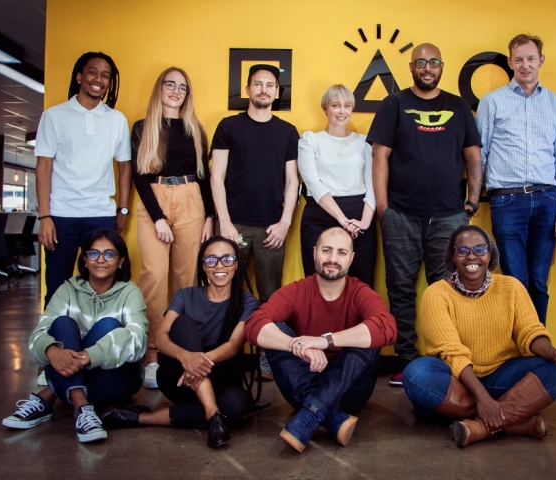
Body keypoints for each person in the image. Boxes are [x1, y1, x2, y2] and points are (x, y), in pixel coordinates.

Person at [367, 43, 483, 386]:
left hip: (449, 215)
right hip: (401, 214)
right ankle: (407, 360)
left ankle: (447, 359)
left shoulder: (458, 106)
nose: (427, 68)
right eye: (421, 63)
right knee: (400, 289)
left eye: (433, 62)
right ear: (411, 67)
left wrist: (472, 202)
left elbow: (473, 157)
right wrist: (384, 207)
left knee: (447, 291)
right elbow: (379, 156)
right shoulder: (394, 104)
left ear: (442, 66)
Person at [402, 225, 556, 447]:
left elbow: (530, 332)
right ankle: (515, 421)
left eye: (479, 249)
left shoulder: (511, 287)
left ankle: (480, 427)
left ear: (489, 255)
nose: (471, 256)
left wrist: (553, 354)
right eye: (463, 250)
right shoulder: (436, 293)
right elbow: (452, 353)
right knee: (416, 374)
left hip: (503, 377)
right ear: (453, 256)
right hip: (458, 382)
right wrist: (483, 399)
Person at [244, 227, 396, 452]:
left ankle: (310, 413)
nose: (333, 259)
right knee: (275, 330)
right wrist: (297, 346)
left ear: (351, 258)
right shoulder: (296, 291)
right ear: (314, 253)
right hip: (303, 381)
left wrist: (325, 341)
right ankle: (326, 413)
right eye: (327, 250)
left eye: (341, 252)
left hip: (350, 391)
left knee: (368, 337)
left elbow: (387, 328)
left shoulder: (360, 292)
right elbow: (253, 324)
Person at [100, 236, 259, 448]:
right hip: (178, 377)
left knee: (235, 408)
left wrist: (197, 364)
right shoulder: (185, 296)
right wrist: (186, 358)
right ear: (203, 266)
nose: (219, 266)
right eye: (211, 260)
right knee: (183, 324)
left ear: (236, 265)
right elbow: (161, 338)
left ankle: (139, 418)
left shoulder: (247, 302)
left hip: (220, 376)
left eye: (227, 259)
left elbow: (234, 345)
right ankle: (213, 413)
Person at [2, 229, 147, 443]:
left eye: (109, 254)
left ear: (120, 261)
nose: (100, 260)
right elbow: (38, 334)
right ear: (85, 260)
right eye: (93, 253)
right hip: (79, 381)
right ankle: (82, 406)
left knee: (108, 325)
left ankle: (48, 395)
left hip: (116, 382)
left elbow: (138, 340)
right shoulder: (68, 289)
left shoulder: (130, 292)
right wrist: (51, 351)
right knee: (62, 323)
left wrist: (89, 356)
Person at [476, 33, 556, 325]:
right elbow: (479, 154)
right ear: (510, 62)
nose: (525, 65)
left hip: (548, 199)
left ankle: (538, 343)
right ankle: (518, 345)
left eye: (531, 59)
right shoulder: (492, 102)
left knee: (539, 281)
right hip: (507, 201)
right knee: (515, 281)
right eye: (519, 60)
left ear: (541, 60)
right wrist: (474, 198)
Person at [210, 64, 299, 380]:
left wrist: (285, 222)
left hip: (271, 228)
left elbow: (293, 180)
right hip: (233, 226)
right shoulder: (229, 126)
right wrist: (225, 223)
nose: (263, 89)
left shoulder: (287, 131)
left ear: (276, 92)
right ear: (247, 89)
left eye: (270, 85)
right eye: (258, 83)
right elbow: (216, 176)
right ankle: (221, 357)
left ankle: (267, 358)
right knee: (223, 292)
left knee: (271, 297)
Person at [131, 67, 215, 389]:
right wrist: (158, 218)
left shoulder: (195, 128)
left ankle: (180, 350)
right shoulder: (143, 127)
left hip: (191, 199)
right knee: (153, 275)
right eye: (171, 84)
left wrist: (209, 217)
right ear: (160, 88)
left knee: (186, 279)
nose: (176, 91)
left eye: (183, 87)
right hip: (155, 198)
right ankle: (151, 351)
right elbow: (139, 176)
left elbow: (203, 176)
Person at [35, 52, 132, 308]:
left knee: (105, 286)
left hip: (101, 214)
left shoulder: (117, 119)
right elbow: (43, 167)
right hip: (61, 214)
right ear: (79, 76)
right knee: (57, 286)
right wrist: (44, 217)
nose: (98, 79)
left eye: (105, 75)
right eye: (93, 72)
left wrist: (123, 209)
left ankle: (100, 333)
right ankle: (55, 333)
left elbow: (125, 167)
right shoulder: (54, 116)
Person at [298, 84, 376, 288]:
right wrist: (342, 220)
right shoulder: (310, 140)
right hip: (320, 214)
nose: (342, 111)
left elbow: (372, 184)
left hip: (358, 217)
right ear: (325, 108)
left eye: (347, 106)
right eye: (336, 105)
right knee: (317, 280)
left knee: (361, 281)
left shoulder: (364, 142)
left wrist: (364, 222)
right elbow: (313, 184)